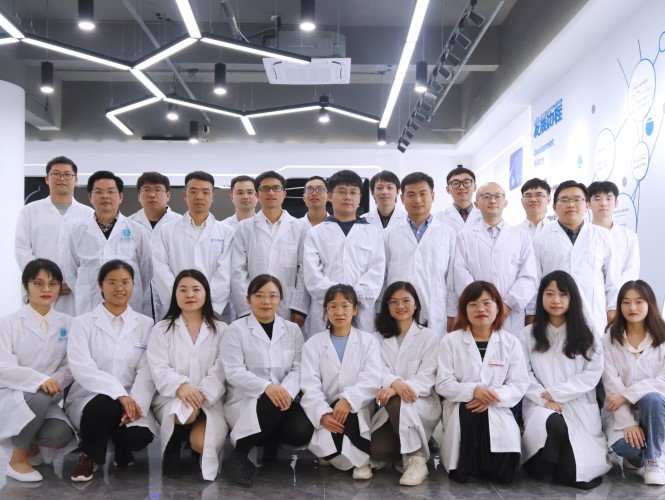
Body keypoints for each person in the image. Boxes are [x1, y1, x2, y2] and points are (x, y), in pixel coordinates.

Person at [66, 260, 156, 482]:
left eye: (125, 282)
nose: (119, 288)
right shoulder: (82, 323)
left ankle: (121, 446)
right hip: (91, 398)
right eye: (112, 282)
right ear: (100, 285)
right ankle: (89, 456)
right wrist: (119, 394)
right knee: (105, 404)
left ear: (133, 285)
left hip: (132, 398)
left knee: (137, 437)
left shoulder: (146, 324)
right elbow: (82, 367)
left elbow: (147, 369)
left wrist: (134, 402)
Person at [520, 270, 609, 489]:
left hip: (578, 405)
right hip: (541, 403)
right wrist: (544, 399)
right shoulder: (528, 334)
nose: (556, 300)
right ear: (541, 297)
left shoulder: (588, 334)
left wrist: (556, 394)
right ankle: (542, 464)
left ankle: (554, 464)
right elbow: (523, 373)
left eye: (562, 294)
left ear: (572, 298)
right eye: (549, 294)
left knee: (575, 472)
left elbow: (592, 374)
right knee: (552, 423)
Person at [221, 275, 312, 487]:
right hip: (246, 399)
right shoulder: (236, 329)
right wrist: (267, 387)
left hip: (283, 398)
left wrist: (284, 392)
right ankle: (238, 455)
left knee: (301, 431)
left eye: (272, 296)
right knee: (270, 401)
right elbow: (233, 371)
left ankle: (268, 442)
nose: (266, 301)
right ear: (248, 299)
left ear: (281, 299)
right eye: (259, 295)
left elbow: (298, 368)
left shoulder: (292, 330)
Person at [435, 281, 528, 484]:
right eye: (473, 304)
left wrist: (492, 396)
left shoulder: (511, 343)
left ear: (498, 308)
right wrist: (474, 390)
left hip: (498, 407)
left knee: (505, 474)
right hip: (462, 405)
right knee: (469, 416)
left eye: (487, 303)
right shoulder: (450, 341)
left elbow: (519, 384)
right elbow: (443, 383)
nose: (481, 309)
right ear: (464, 309)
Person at [0, 259, 76, 482]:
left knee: (60, 435)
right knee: (38, 395)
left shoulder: (68, 323)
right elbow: (3, 367)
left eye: (53, 283)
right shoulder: (8, 323)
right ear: (26, 285)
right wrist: (39, 381)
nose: (46, 289)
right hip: (11, 395)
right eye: (38, 283)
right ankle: (17, 459)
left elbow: (71, 364)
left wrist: (53, 382)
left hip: (48, 397)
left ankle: (31, 445)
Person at [148, 270, 227, 481]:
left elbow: (223, 368)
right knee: (186, 410)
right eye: (183, 290)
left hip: (210, 399)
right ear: (175, 294)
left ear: (206, 293)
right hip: (172, 397)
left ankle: (191, 447)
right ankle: (173, 446)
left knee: (201, 443)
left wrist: (202, 393)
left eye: (196, 289)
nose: (189, 294)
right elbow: (158, 367)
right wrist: (181, 386)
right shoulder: (161, 329)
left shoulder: (222, 329)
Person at [301, 284, 382, 480]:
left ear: (355, 310)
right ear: (326, 310)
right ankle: (336, 453)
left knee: (352, 418)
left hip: (357, 407)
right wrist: (322, 413)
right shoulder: (313, 344)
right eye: (333, 306)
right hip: (326, 408)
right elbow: (309, 384)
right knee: (327, 438)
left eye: (345, 306)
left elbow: (372, 378)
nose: (339, 312)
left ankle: (361, 461)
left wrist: (348, 400)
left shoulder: (368, 341)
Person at [370, 281, 440, 486]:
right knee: (377, 450)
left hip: (420, 401)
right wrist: (394, 384)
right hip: (389, 405)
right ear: (387, 306)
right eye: (394, 302)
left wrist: (397, 388)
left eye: (406, 301)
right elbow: (375, 369)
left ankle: (416, 459)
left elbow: (428, 375)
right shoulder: (377, 338)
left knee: (398, 400)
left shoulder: (429, 337)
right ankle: (404, 456)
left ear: (416, 304)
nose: (400, 306)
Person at [530, 180, 620, 335]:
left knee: (593, 348)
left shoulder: (603, 236)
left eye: (577, 199)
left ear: (587, 205)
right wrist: (532, 312)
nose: (571, 204)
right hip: (554, 314)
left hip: (593, 314)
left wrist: (613, 309)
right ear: (554, 207)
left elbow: (613, 278)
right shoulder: (540, 239)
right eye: (564, 200)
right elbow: (534, 280)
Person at [303, 169, 386, 335]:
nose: (348, 197)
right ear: (330, 196)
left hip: (361, 310)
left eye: (353, 192)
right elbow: (312, 275)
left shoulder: (374, 233)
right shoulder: (316, 233)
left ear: (360, 198)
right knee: (323, 348)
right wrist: (337, 300)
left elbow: (376, 272)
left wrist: (353, 298)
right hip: (325, 309)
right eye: (341, 192)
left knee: (361, 348)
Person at [61, 170, 153, 316]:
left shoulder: (136, 230)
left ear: (120, 197)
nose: (105, 196)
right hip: (90, 304)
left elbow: (146, 271)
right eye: (98, 192)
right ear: (90, 197)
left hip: (128, 304)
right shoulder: (77, 231)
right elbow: (71, 272)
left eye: (111, 191)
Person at [602, 280, 665, 486]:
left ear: (650, 304)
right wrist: (628, 422)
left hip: (657, 410)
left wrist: (627, 395)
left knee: (652, 398)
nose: (632, 307)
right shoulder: (608, 341)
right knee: (626, 448)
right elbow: (611, 386)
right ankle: (639, 456)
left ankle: (653, 459)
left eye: (639, 302)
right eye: (626, 302)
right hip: (620, 413)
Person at [454, 182, 538, 335]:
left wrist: (507, 306)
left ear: (505, 202)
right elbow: (461, 274)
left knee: (509, 348)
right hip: (477, 313)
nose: (492, 201)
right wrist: (481, 305)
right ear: (476, 204)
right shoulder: (464, 236)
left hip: (511, 315)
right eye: (486, 197)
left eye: (497, 196)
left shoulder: (521, 237)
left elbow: (528, 277)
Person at [15, 156, 93, 315]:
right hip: (40, 290)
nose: (61, 178)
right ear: (47, 179)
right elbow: (22, 249)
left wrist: (76, 281)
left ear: (76, 180)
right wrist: (45, 281)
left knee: (76, 329)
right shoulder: (30, 211)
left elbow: (92, 253)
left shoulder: (88, 215)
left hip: (75, 293)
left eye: (67, 174)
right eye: (56, 174)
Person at [152, 171, 235, 320]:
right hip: (177, 310)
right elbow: (161, 270)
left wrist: (209, 306)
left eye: (205, 192)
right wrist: (178, 303)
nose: (199, 197)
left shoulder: (226, 232)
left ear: (212, 197)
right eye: (193, 191)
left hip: (213, 311)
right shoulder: (167, 230)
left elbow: (225, 272)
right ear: (185, 195)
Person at [231, 171, 309, 326]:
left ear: (284, 194)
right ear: (257, 195)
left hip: (287, 306)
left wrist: (299, 308)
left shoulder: (300, 228)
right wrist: (245, 308)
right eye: (265, 189)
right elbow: (238, 270)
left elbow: (304, 270)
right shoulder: (244, 228)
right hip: (253, 305)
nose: (271, 193)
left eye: (276, 188)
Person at [383, 172, 456, 334]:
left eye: (423, 194)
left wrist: (452, 312)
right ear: (402, 199)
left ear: (433, 196)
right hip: (398, 308)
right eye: (411, 195)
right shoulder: (389, 234)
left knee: (433, 348)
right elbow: (383, 275)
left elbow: (452, 278)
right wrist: (379, 308)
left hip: (435, 309)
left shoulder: (448, 233)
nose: (417, 200)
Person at [588, 181, 640, 283]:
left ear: (616, 203)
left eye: (608, 198)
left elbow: (632, 271)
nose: (603, 203)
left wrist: (618, 291)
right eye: (597, 199)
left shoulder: (630, 237)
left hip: (622, 291)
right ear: (588, 204)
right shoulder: (582, 235)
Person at [435, 166, 481, 231]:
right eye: (456, 183)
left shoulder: (485, 216)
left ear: (475, 187)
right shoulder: (438, 218)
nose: (461, 187)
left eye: (466, 182)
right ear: (448, 189)